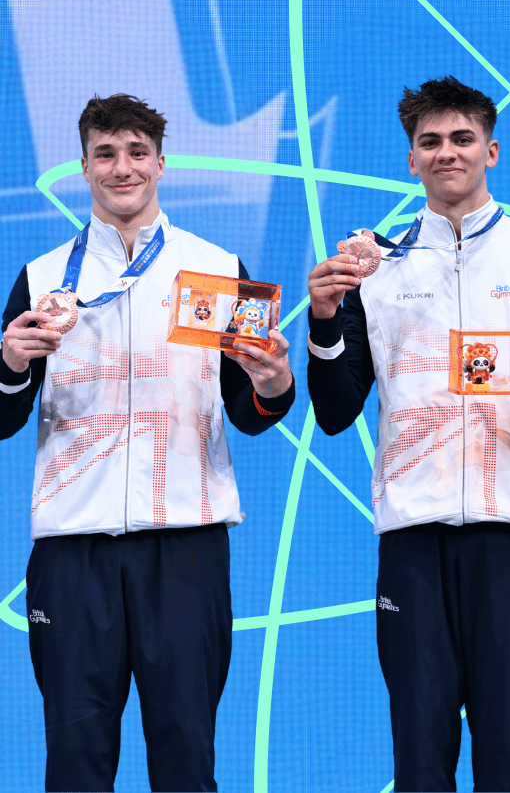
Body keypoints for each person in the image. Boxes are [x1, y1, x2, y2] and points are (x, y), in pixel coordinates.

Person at [306, 76, 510, 792]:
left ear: (492, 150)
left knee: (507, 757)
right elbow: (334, 411)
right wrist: (324, 322)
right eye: (430, 142)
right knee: (419, 760)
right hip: (413, 542)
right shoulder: (371, 268)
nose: (446, 152)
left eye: (462, 138)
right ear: (411, 160)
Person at [0, 94, 295, 792]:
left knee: (186, 757)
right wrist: (9, 365)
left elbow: (250, 410)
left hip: (186, 547)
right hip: (73, 551)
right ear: (83, 167)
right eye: (105, 154)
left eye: (136, 152)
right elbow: (4, 417)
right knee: (75, 763)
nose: (122, 167)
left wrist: (275, 382)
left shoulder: (219, 268)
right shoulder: (42, 279)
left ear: (162, 163)